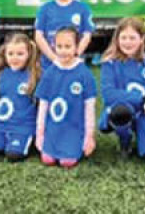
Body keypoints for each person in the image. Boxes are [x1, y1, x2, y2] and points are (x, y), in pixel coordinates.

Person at [98, 18, 145, 166]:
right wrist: (141, 99)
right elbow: (108, 94)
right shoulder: (110, 62)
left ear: (142, 39)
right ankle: (125, 141)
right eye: (123, 38)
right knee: (121, 111)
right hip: (123, 110)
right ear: (117, 39)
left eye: (132, 38)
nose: (127, 42)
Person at [35, 27, 98, 168]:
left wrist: (89, 136)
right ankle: (51, 142)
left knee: (67, 162)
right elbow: (43, 104)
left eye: (68, 46)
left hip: (73, 128)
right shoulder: (50, 73)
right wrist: (40, 132)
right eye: (59, 46)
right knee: (48, 159)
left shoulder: (85, 74)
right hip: (54, 129)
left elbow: (89, 107)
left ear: (77, 47)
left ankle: (75, 142)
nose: (63, 51)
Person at [0, 33, 41, 162]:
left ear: (29, 54)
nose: (15, 58)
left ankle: (21, 141)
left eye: (20, 54)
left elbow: (41, 106)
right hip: (0, 125)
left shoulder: (34, 76)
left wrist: (40, 133)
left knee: (13, 155)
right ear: (4, 54)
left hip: (23, 126)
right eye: (11, 54)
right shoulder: (0, 74)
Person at [34, 0, 94, 67]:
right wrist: (54, 58)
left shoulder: (83, 8)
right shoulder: (45, 9)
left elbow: (87, 35)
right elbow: (39, 36)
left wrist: (75, 56)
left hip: (73, 64)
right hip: (49, 65)